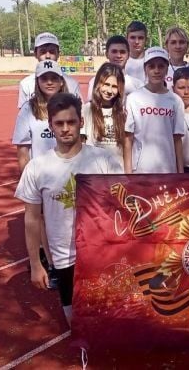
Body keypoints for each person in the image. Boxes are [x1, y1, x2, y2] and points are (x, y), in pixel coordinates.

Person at [15, 92, 122, 327]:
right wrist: (36, 264)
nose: (65, 129)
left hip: (101, 254)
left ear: (81, 122)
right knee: (75, 322)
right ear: (50, 125)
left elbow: (120, 205)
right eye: (59, 123)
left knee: (108, 319)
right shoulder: (37, 168)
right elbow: (32, 219)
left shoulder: (104, 160)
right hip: (64, 258)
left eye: (71, 122)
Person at [12, 59, 68, 289]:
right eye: (45, 78)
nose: (49, 82)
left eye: (54, 78)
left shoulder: (69, 104)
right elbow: (23, 149)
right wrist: (28, 181)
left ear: (61, 81)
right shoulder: (29, 109)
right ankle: (54, 267)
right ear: (37, 82)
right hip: (43, 177)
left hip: (68, 173)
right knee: (44, 221)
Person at [124, 47, 185, 173]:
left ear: (167, 69)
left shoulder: (176, 101)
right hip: (141, 171)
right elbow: (128, 139)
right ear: (145, 69)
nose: (156, 71)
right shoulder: (133, 99)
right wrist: (128, 174)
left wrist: (180, 173)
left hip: (168, 171)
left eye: (161, 66)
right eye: (151, 66)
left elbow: (177, 139)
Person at [17, 32, 81, 109]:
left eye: (52, 52)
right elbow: (23, 112)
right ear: (35, 54)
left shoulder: (72, 83)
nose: (48, 56)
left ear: (58, 54)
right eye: (43, 52)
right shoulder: (25, 84)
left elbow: (79, 111)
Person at [81, 62, 126, 167]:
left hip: (117, 171)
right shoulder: (86, 109)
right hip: (94, 170)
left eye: (114, 86)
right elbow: (81, 143)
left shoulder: (123, 112)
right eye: (106, 84)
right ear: (98, 83)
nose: (109, 91)